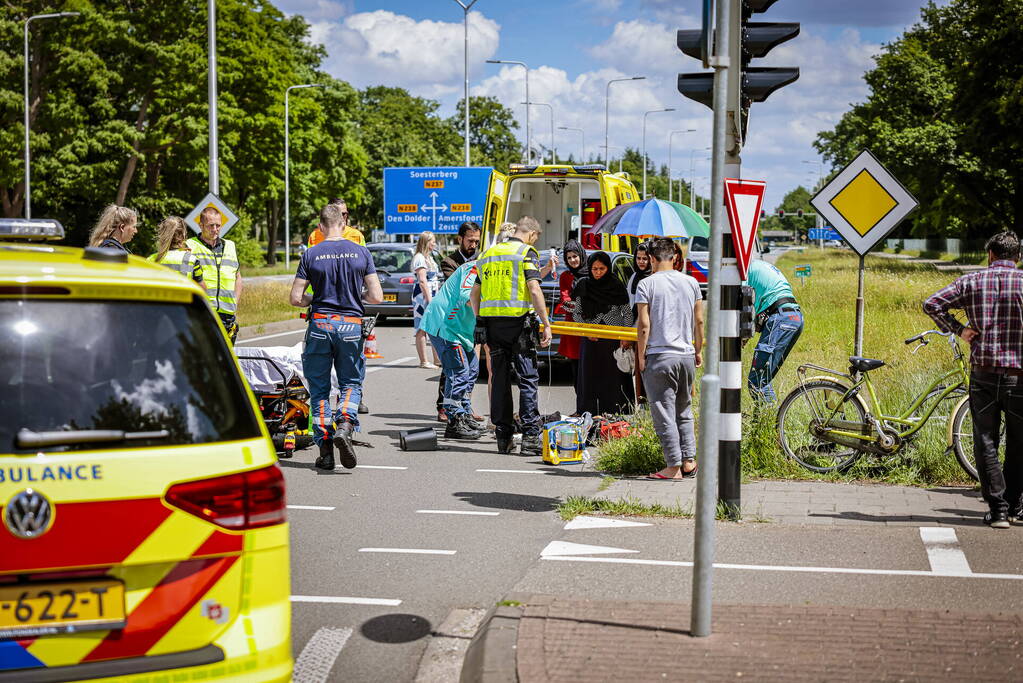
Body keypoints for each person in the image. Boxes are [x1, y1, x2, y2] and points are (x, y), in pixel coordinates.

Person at [924, 231, 1023, 529]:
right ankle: (1016, 505)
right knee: (1020, 441)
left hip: (984, 372)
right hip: (1020, 375)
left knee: (985, 439)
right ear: (1017, 257)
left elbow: (932, 304)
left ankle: (998, 510)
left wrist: (959, 329)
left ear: (990, 254)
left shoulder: (971, 281)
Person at [289, 203, 383, 471]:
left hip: (319, 325)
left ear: (320, 227)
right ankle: (344, 423)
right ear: (343, 224)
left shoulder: (311, 254)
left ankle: (326, 450)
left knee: (319, 391)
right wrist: (355, 297)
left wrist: (315, 298)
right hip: (351, 326)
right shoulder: (361, 252)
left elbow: (296, 298)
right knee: (351, 383)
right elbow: (376, 296)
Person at [471, 216, 553, 456]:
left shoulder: (487, 254)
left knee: (499, 380)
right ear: (532, 234)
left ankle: (504, 437)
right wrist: (546, 323)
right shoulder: (527, 252)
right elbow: (534, 289)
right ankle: (529, 437)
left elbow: (474, 294)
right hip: (519, 325)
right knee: (527, 379)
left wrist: (479, 320)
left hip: (492, 326)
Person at [635, 238, 704, 480]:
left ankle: (672, 466)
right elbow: (699, 321)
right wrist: (698, 350)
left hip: (659, 355)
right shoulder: (691, 282)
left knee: (663, 411)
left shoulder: (646, 284)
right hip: (686, 355)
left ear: (652, 259)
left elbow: (644, 325)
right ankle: (689, 462)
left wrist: (641, 356)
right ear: (674, 257)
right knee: (684, 410)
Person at [420, 261, 484, 440]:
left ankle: (463, 413)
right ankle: (454, 420)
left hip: (461, 329)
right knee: (459, 372)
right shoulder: (476, 267)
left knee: (472, 370)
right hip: (446, 325)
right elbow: (467, 295)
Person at [572, 251, 635, 415]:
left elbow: (627, 314)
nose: (598, 272)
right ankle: (588, 415)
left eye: (602, 268)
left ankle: (614, 416)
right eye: (594, 269)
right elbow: (576, 313)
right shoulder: (583, 285)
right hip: (590, 340)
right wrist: (586, 331)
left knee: (612, 381)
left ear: (608, 268)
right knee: (588, 379)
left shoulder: (616, 286)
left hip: (612, 340)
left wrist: (625, 337)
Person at [746, 258, 803, 402]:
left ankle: (771, 423)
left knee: (757, 381)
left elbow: (741, 305)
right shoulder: (759, 265)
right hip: (794, 316)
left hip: (779, 318)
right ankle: (762, 420)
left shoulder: (742, 272)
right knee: (764, 378)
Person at [187, 207, 242, 343]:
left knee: (226, 362)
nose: (215, 229)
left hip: (227, 317)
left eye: (218, 225)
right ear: (201, 225)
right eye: (211, 225)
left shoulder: (230, 246)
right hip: (203, 313)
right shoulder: (190, 246)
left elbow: (238, 277)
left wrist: (235, 303)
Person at [558, 239, 588, 415]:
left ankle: (592, 410)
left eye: (575, 256)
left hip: (591, 329)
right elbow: (565, 301)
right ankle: (580, 410)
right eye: (569, 257)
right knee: (576, 374)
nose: (573, 260)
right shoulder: (565, 277)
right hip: (573, 332)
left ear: (581, 255)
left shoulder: (592, 273)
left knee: (591, 373)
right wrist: (582, 308)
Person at [148, 216, 204, 288]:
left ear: (162, 234)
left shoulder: (150, 260)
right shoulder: (192, 260)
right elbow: (202, 289)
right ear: (183, 235)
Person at [412, 231, 441, 369]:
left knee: (433, 326)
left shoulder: (428, 257)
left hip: (431, 294)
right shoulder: (419, 258)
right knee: (422, 327)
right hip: (423, 296)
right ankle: (424, 361)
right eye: (432, 241)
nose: (434, 244)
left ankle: (437, 359)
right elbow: (422, 281)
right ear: (426, 242)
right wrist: (429, 301)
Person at [626, 242, 652, 308]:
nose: (641, 261)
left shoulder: (654, 278)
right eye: (638, 258)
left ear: (650, 259)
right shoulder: (633, 276)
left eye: (644, 258)